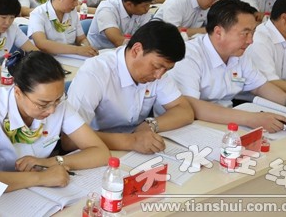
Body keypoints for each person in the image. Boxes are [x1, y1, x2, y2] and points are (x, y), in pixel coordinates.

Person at [0, 51, 110, 192]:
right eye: (42, 104)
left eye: (57, 100)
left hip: (38, 189)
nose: (52, 110)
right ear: (18, 92)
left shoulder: (59, 104)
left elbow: (101, 153)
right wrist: (41, 178)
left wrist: (51, 162)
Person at [165, 0, 286, 133]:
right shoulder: (189, 56)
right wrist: (251, 119)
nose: (250, 41)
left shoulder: (238, 53)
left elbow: (259, 86)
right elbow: (190, 105)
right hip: (190, 126)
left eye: (252, 33)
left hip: (227, 120)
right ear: (219, 32)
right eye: (245, 33)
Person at [67, 21, 194, 153]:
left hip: (135, 147)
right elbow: (70, 139)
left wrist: (149, 125)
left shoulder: (157, 71)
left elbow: (185, 111)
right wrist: (131, 141)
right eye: (156, 66)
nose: (159, 76)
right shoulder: (95, 72)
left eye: (166, 70)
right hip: (98, 148)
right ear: (136, 50)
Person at [28, 0, 97, 57]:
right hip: (48, 60)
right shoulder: (38, 14)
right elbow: (41, 43)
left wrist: (87, 48)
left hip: (71, 59)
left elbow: (81, 39)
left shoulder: (72, 12)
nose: (76, 4)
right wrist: (77, 50)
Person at [87, 0, 154, 49]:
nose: (147, 9)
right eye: (145, 6)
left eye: (149, 4)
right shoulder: (107, 9)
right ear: (129, 4)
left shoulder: (141, 10)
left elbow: (148, 36)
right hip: (99, 51)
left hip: (124, 50)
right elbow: (118, 41)